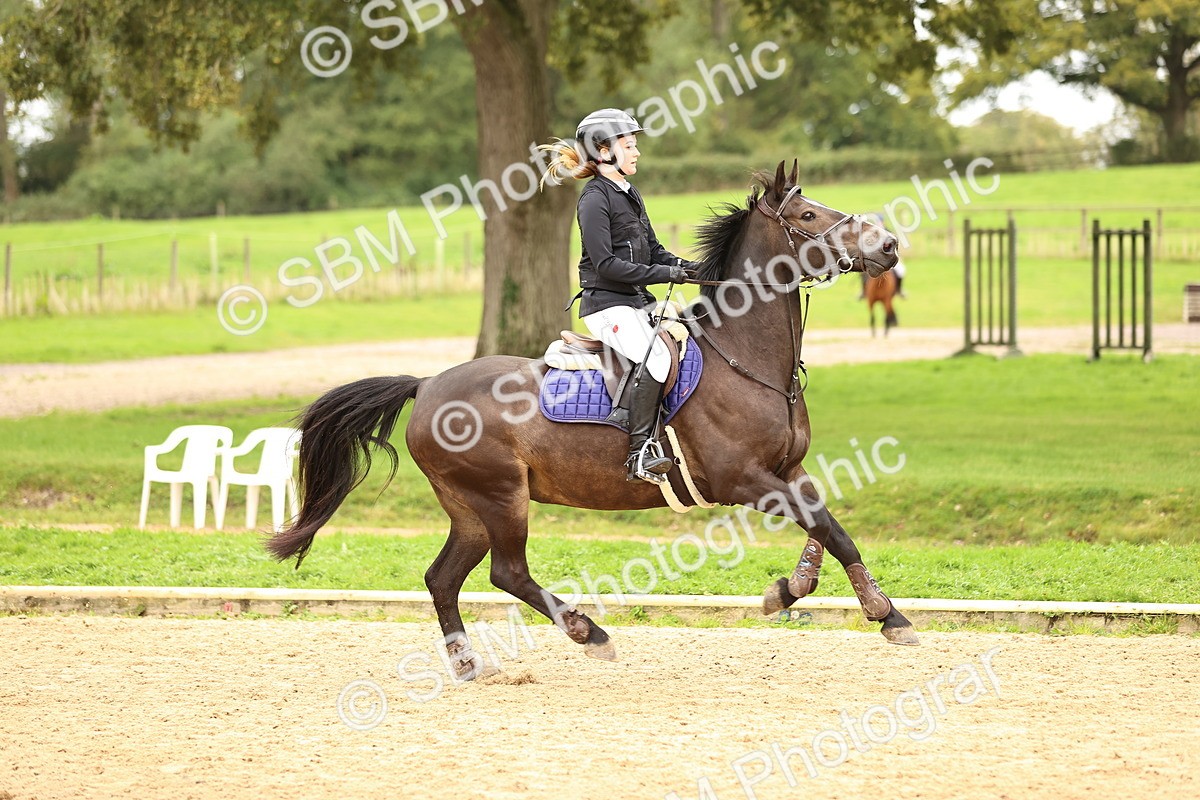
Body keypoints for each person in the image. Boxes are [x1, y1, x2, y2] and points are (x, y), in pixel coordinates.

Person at [540, 109, 699, 483]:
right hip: (607, 305)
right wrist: (666, 274)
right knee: (657, 360)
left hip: (636, 301)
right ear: (603, 150)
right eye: (629, 145)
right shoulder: (594, 199)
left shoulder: (628, 193)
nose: (637, 152)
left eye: (635, 145)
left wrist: (693, 269)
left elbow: (655, 249)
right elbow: (607, 265)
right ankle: (640, 452)